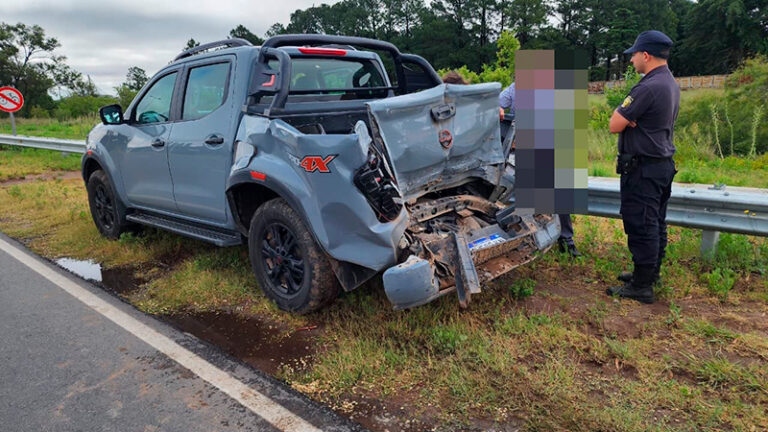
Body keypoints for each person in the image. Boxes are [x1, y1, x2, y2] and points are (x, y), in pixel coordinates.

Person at [607, 30, 679, 304]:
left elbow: (615, 123)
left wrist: (628, 119)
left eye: (634, 55)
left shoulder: (648, 86)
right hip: (660, 165)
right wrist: (631, 120)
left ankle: (641, 286)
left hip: (644, 168)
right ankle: (649, 274)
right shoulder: (668, 82)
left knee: (642, 224)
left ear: (646, 55)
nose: (631, 60)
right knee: (655, 223)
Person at [501, 80, 581, 256]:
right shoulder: (515, 88)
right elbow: (496, 104)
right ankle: (530, 240)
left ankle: (566, 240)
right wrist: (497, 110)